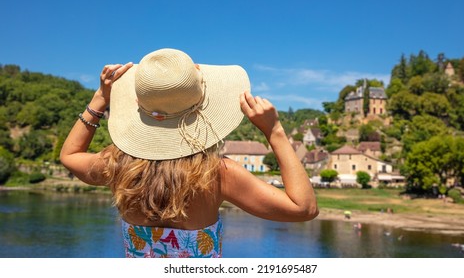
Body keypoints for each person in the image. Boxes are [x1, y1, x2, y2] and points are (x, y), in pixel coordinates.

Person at [60, 48, 318, 258]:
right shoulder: (216, 174)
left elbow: (70, 156)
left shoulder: (118, 165)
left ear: (139, 103)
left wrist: (99, 99)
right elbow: (303, 208)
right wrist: (274, 131)